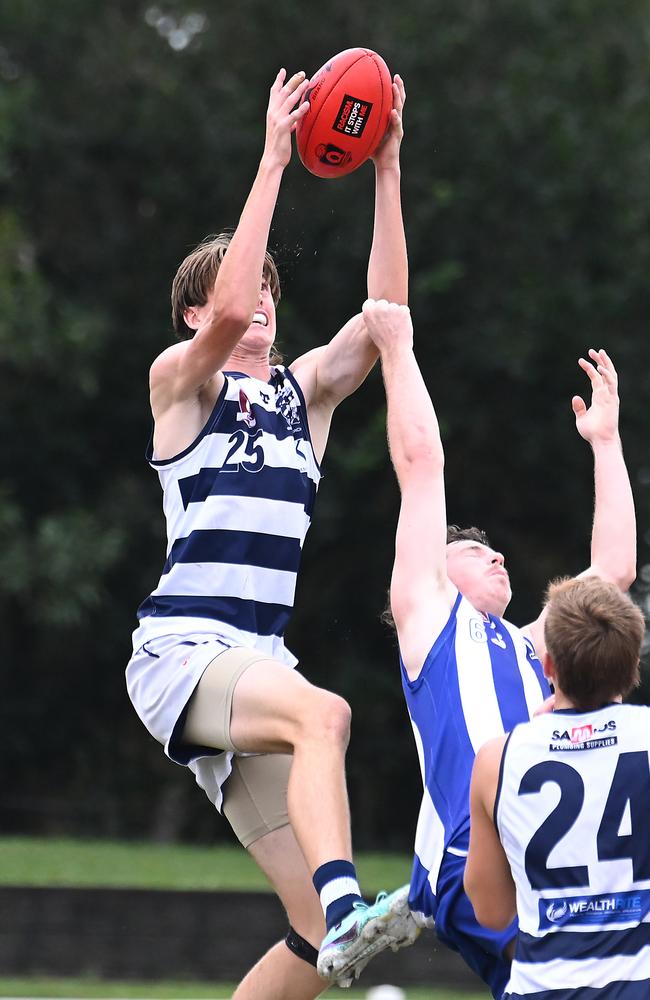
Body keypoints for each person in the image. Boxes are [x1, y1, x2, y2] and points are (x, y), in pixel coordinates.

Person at [125, 73, 416, 1000]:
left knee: (309, 949)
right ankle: (347, 905)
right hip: (182, 651)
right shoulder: (182, 381)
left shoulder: (304, 396)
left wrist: (387, 167)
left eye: (266, 296)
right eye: (236, 295)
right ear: (194, 315)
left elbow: (386, 324)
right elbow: (226, 308)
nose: (258, 305)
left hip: (252, 659)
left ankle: (328, 923)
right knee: (324, 714)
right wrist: (272, 160)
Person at [331, 298, 637, 994]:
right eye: (475, 549)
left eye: (497, 550)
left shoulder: (537, 648)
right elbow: (421, 463)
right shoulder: (432, 619)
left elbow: (614, 572)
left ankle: (410, 897)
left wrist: (606, 443)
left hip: (541, 864)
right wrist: (399, 350)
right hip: (482, 859)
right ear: (436, 569)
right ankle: (418, 884)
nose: (497, 557)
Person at [465, 575, 648, 998]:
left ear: (548, 666)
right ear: (632, 666)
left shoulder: (497, 761)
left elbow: (491, 912)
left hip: (541, 988)